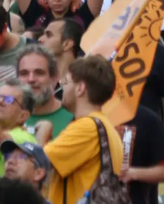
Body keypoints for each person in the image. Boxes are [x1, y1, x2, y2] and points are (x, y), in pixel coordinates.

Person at [42, 55, 123, 204]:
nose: (62, 88)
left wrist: (42, 131)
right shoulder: (103, 125)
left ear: (80, 88)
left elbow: (37, 162)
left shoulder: (87, 127)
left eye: (66, 82)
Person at [17, 46, 73, 140]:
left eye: (39, 73)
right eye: (24, 73)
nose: (31, 79)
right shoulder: (7, 118)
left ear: (54, 79)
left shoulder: (73, 119)